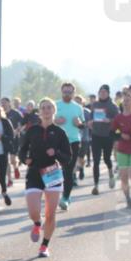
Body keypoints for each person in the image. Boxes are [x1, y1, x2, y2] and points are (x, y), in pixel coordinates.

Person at [17, 98, 71, 258]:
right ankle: (36, 223)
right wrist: (24, 159)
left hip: (52, 173)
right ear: (39, 111)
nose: (46, 111)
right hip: (34, 173)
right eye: (43, 108)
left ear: (54, 111)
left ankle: (44, 245)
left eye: (49, 108)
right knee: (33, 210)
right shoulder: (32, 130)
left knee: (50, 214)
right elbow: (22, 149)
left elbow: (68, 157)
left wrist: (57, 153)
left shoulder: (60, 132)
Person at [54, 82, 85, 210]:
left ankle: (65, 197)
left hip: (73, 141)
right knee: (56, 170)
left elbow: (82, 125)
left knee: (68, 171)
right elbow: (46, 121)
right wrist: (56, 121)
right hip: (57, 141)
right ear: (61, 92)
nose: (67, 94)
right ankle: (57, 194)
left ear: (74, 93)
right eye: (65, 92)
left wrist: (79, 124)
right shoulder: (55, 105)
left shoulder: (78, 107)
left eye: (70, 92)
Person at [88, 84, 118, 195]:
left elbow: (118, 120)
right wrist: (90, 122)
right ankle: (96, 186)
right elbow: (91, 117)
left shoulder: (113, 106)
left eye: (104, 92)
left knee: (106, 159)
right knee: (95, 161)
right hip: (96, 135)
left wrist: (109, 120)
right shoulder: (95, 104)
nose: (102, 94)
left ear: (108, 93)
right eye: (100, 92)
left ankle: (110, 173)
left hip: (107, 135)